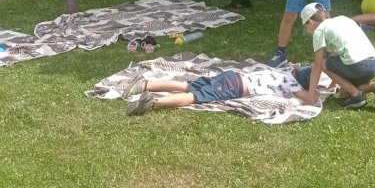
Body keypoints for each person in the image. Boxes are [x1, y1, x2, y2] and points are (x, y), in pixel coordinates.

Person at [296, 2, 375, 112]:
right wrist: (333, 85)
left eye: (306, 26)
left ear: (310, 22)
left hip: (357, 66)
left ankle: (356, 95)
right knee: (344, 92)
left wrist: (310, 99)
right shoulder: (344, 19)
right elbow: (336, 56)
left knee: (322, 63)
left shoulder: (319, 31)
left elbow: (318, 67)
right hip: (373, 65)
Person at [125, 67, 302, 115]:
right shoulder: (293, 84)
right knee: (195, 97)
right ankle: (153, 103)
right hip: (234, 87)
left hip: (231, 75)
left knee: (188, 85)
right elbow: (308, 98)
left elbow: (297, 69)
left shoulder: (284, 72)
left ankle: (144, 85)